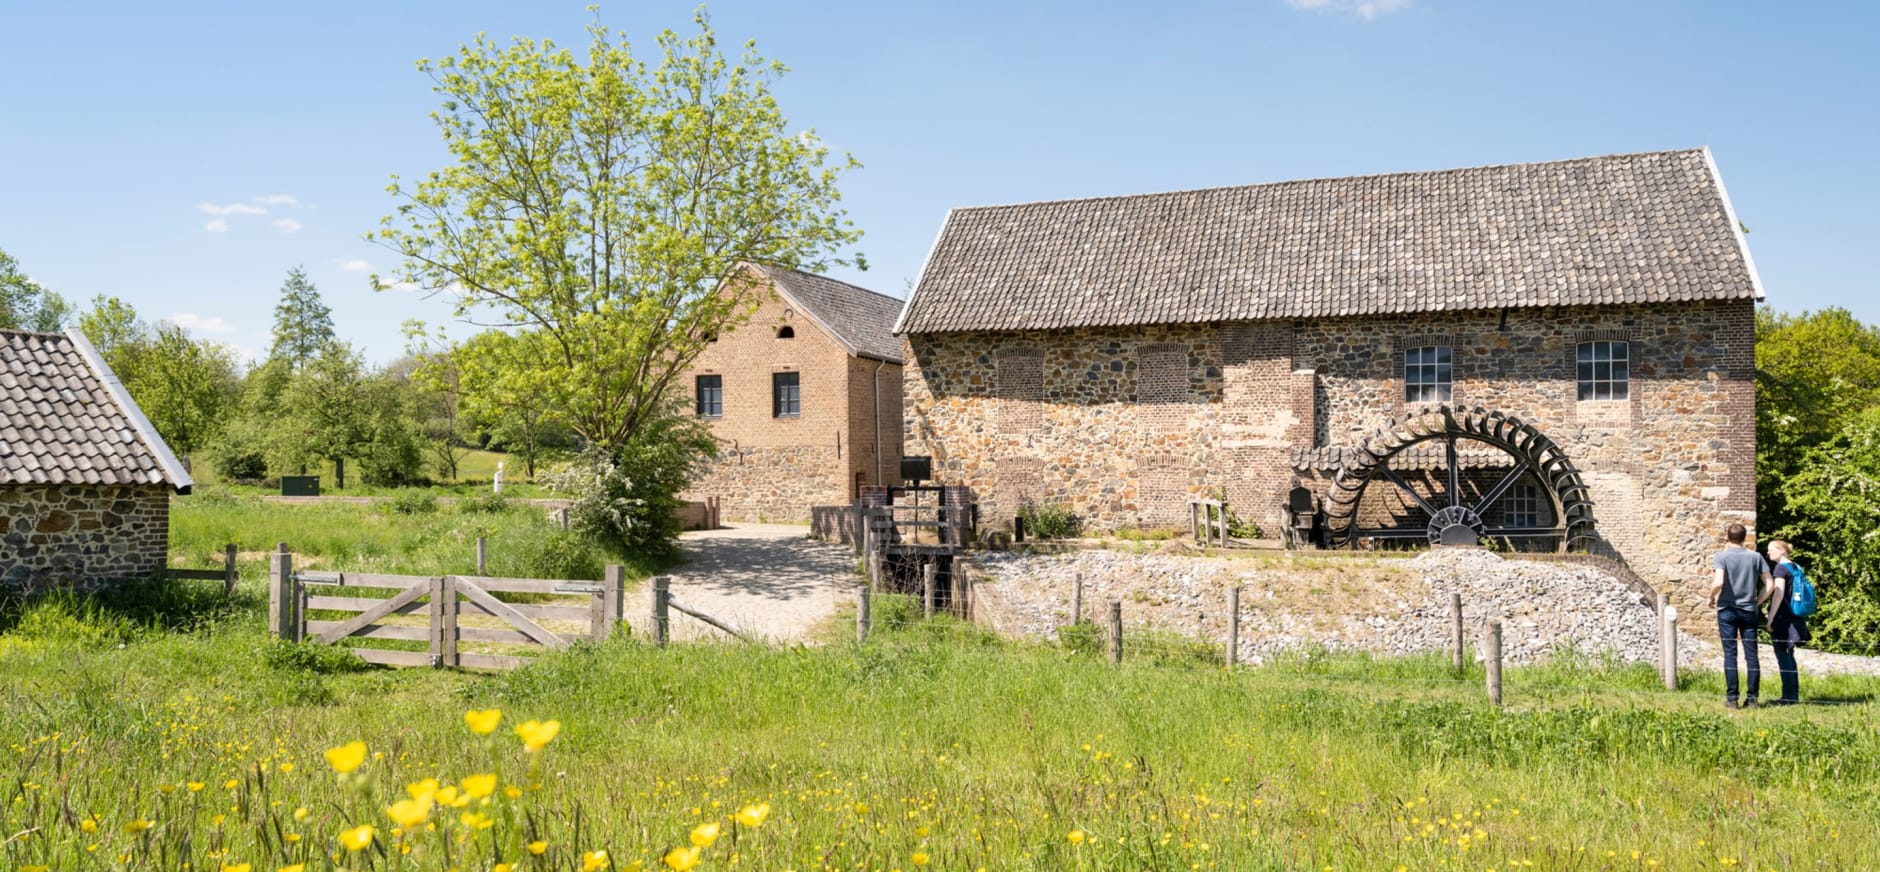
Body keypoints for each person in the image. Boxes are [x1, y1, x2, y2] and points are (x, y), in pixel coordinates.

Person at [1708, 523, 1773, 709]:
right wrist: (1757, 602)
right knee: (1751, 655)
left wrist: (1711, 596)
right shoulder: (1756, 557)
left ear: (1727, 538)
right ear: (1745, 538)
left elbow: (1719, 581)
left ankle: (1732, 698)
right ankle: (1752, 699)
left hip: (1727, 610)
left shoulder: (1721, 557)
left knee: (1730, 653)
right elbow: (1770, 584)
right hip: (1749, 610)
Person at [1765, 540, 1810, 706]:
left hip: (1783, 617)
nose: (1768, 553)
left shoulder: (1780, 569)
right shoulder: (1796, 567)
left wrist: (1770, 618)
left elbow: (1778, 594)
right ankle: (1793, 694)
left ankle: (1788, 697)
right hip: (1795, 615)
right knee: (1789, 655)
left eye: (1771, 550)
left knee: (1783, 655)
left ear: (1781, 550)